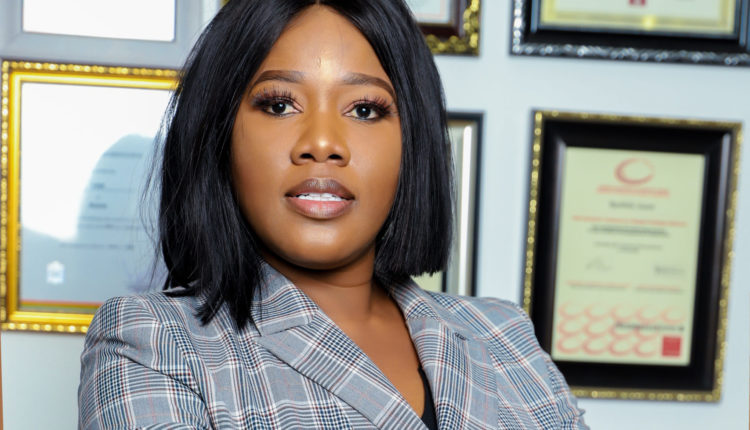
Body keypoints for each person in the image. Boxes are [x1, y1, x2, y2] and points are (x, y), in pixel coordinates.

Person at [78, 1, 588, 429]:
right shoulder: (152, 342)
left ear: (412, 142)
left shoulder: (503, 335)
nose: (322, 143)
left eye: (365, 109)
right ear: (218, 133)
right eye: (279, 105)